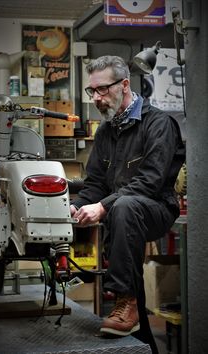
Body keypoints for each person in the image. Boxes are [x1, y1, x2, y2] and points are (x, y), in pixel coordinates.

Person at [70, 55, 185, 353]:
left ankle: (125, 301)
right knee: (130, 273)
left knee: (124, 207)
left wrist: (103, 206)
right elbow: (95, 182)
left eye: (102, 90)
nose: (96, 98)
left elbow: (150, 180)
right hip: (122, 214)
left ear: (124, 84)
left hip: (156, 207)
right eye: (92, 91)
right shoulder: (106, 130)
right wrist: (77, 205)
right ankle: (137, 324)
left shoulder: (158, 123)